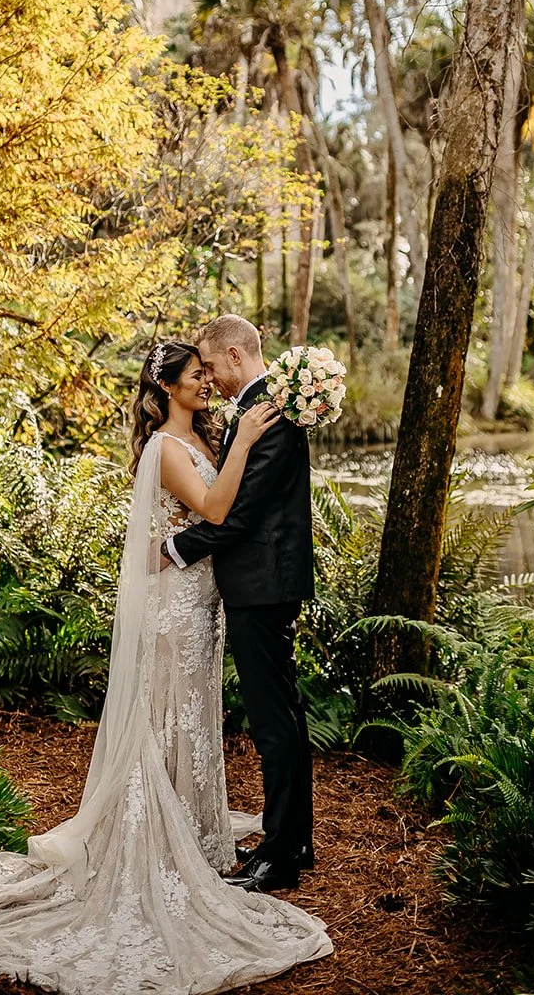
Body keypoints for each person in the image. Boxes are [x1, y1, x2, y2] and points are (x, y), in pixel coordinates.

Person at [0, 339, 331, 994]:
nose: (206, 381)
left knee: (205, 715)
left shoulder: (232, 430)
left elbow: (226, 513)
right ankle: (167, 829)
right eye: (194, 375)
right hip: (180, 608)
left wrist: (182, 536)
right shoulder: (176, 444)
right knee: (166, 715)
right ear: (165, 389)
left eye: (208, 369)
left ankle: (225, 832)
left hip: (212, 597)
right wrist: (228, 460)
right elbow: (218, 511)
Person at [164, 315, 316, 895]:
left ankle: (279, 857)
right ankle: (294, 838)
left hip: (264, 585)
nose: (210, 379)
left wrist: (176, 547)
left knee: (274, 724)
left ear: (234, 354)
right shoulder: (261, 408)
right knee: (286, 714)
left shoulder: (268, 414)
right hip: (266, 583)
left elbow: (240, 513)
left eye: (210, 366)